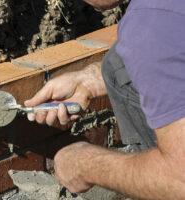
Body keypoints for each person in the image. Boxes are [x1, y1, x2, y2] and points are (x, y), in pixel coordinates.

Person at [24, 0, 185, 199]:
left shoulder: (150, 24)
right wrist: (92, 81)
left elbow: (179, 179)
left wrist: (87, 165)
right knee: (115, 61)